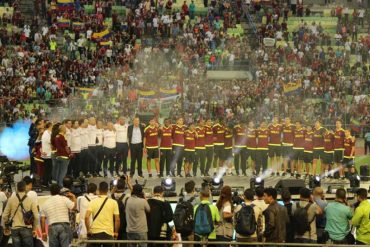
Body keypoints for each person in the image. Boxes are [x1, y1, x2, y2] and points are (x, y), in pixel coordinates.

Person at [2, 181, 39, 247]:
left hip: (15, 228)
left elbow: (4, 215)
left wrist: (6, 227)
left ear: (17, 188)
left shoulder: (11, 200)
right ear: (25, 188)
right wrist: (34, 228)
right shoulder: (30, 200)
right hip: (27, 228)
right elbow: (36, 216)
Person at [85, 182, 120, 247]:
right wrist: (116, 232)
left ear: (98, 190)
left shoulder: (92, 202)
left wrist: (88, 230)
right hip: (108, 233)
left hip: (95, 232)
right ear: (107, 190)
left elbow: (87, 217)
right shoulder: (114, 202)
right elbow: (117, 220)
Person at [41, 121, 53, 186]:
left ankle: (48, 181)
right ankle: (45, 182)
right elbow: (50, 142)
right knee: (47, 169)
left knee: (49, 168)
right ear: (50, 126)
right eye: (52, 126)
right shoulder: (46, 133)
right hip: (47, 154)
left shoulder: (49, 133)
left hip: (49, 153)